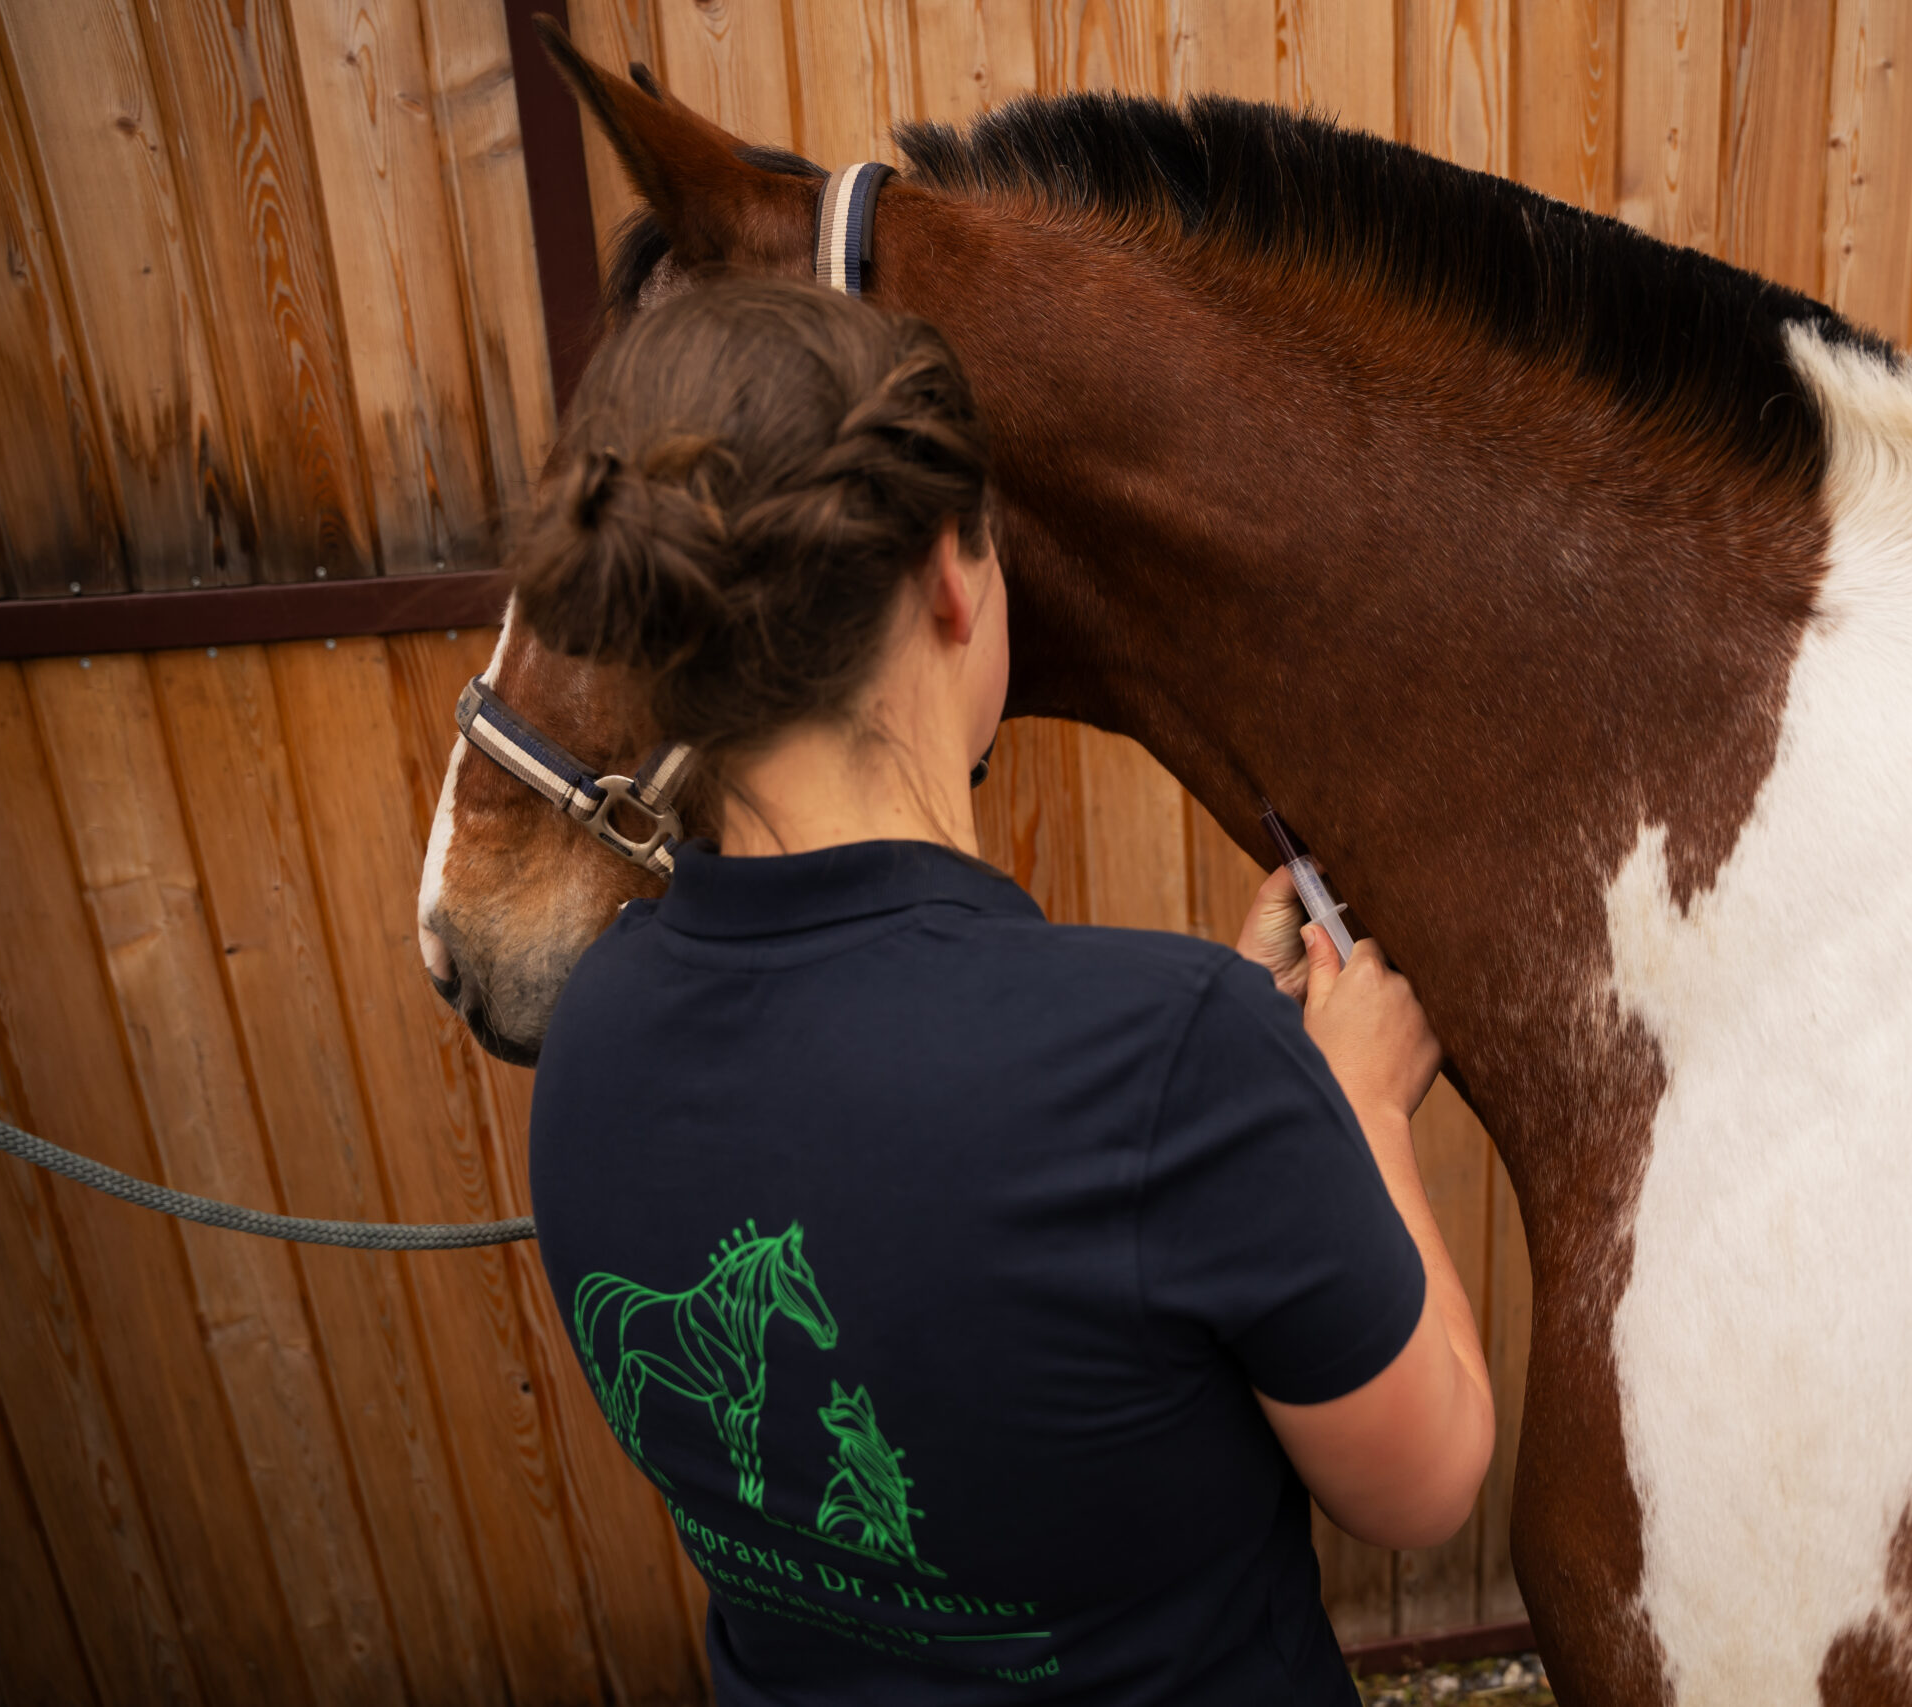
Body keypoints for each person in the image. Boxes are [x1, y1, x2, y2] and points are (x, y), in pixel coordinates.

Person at [518, 275, 1494, 1705]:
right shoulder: (1177, 1059)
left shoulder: (587, 1039)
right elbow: (1430, 1479)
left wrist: (1224, 1106)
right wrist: (1352, 1113)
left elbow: (941, 1207)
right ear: (952, 575)